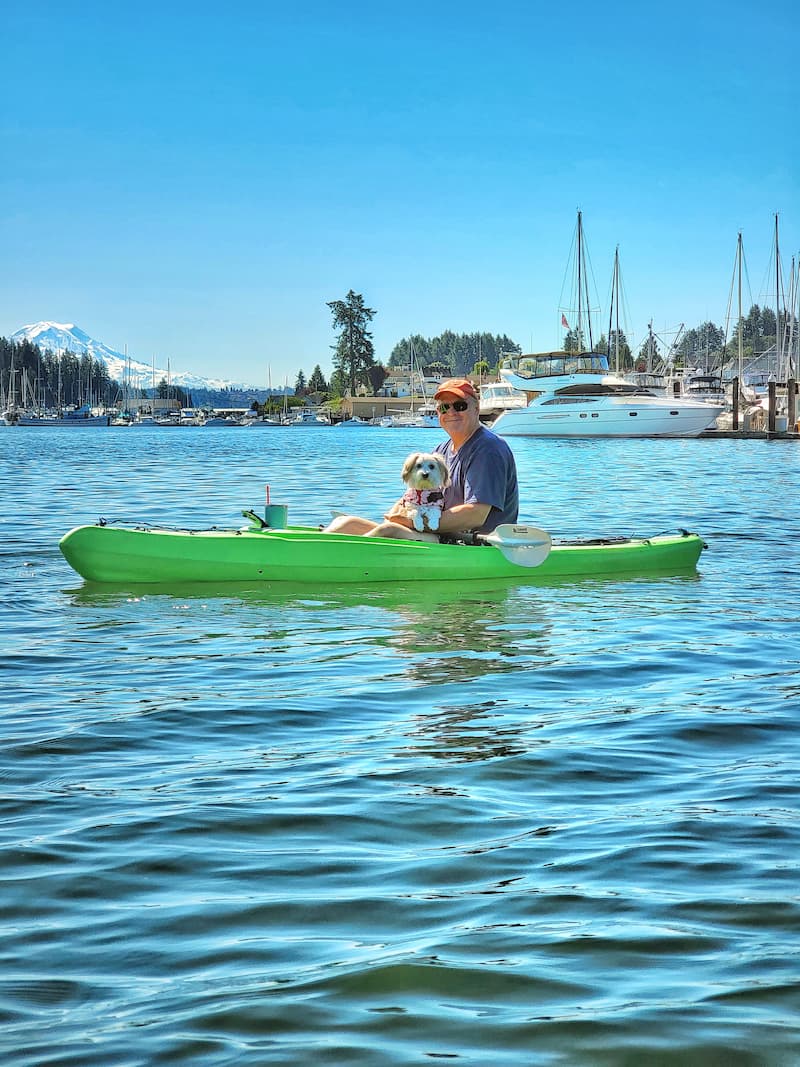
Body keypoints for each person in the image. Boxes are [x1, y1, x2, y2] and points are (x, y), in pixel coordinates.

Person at [324, 378, 519, 541]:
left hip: (474, 543)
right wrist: (394, 515)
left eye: (460, 406)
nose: (451, 412)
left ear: (476, 408)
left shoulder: (488, 449)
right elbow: (413, 494)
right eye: (444, 407)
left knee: (388, 531)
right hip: (439, 534)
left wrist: (408, 522)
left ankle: (344, 561)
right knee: (344, 523)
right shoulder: (440, 452)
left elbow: (475, 515)